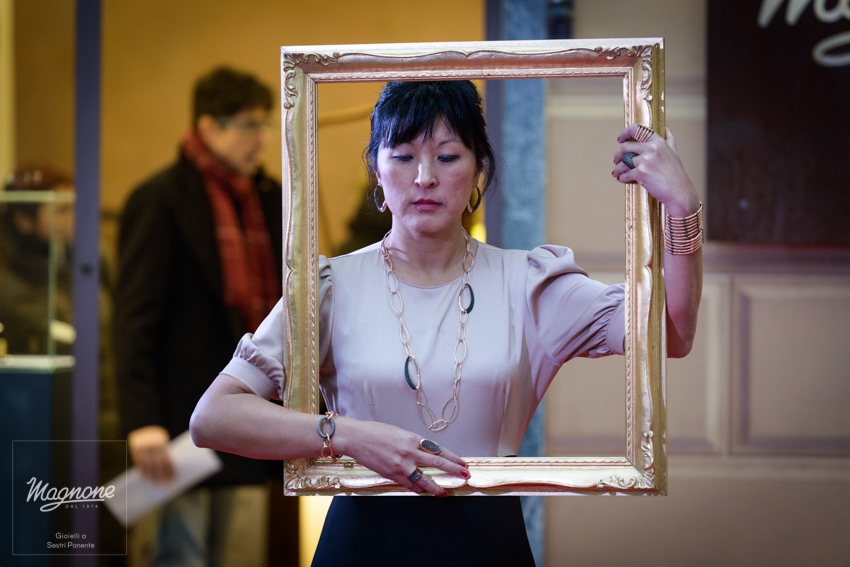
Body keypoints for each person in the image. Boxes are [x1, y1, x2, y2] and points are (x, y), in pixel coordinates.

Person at [190, 80, 703, 566]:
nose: (424, 178)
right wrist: (344, 435)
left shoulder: (529, 282)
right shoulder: (330, 287)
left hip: (487, 541)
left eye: (448, 156)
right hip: (362, 542)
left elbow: (671, 334)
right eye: (403, 156)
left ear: (479, 168)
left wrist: (682, 208)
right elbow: (213, 417)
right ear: (376, 170)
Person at [114, 66, 284, 566]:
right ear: (209, 127)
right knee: (179, 555)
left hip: (249, 412)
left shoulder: (269, 197)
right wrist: (142, 420)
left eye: (264, 124)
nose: (261, 139)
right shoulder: (159, 199)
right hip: (177, 420)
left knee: (241, 555)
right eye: (249, 125)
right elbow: (134, 321)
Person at [0, 166, 75, 355]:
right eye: (62, 211)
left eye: (75, 208)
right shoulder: (8, 277)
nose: (73, 219)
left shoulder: (82, 261)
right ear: (23, 219)